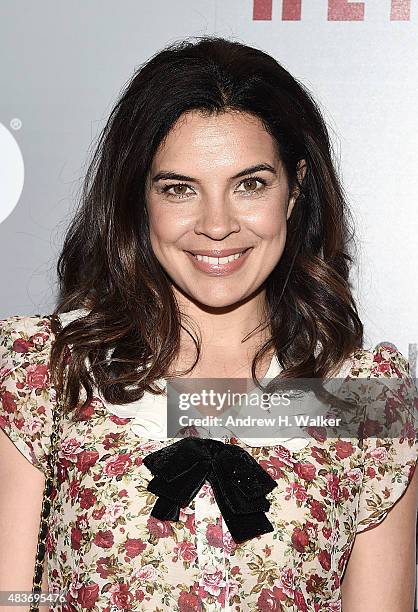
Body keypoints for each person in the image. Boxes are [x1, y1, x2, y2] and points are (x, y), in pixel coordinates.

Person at [0, 35, 417, 612]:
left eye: (250, 185)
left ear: (294, 191)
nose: (216, 225)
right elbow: (12, 596)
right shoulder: (46, 369)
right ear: (137, 198)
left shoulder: (364, 399)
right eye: (179, 189)